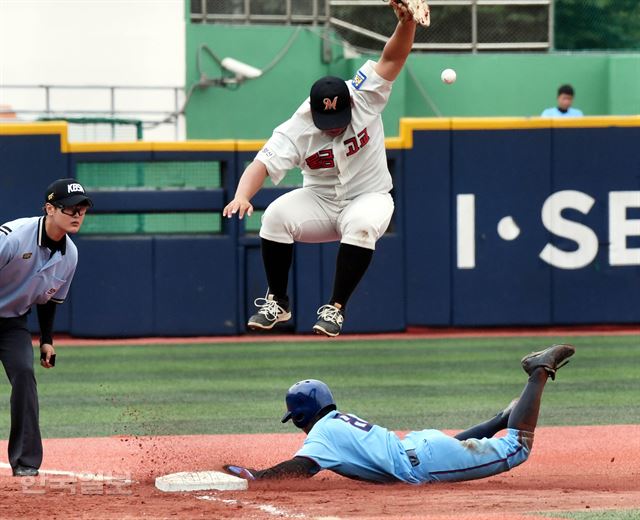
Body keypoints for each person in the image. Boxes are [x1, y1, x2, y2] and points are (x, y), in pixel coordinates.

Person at [222, 0, 418, 337]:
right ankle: (278, 302)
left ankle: (335, 308)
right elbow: (261, 164)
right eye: (325, 121)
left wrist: (407, 23)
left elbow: (392, 57)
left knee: (362, 224)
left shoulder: (364, 95)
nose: (332, 127)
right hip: (321, 200)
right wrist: (242, 195)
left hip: (369, 196)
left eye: (338, 119)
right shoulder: (297, 127)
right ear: (312, 112)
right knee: (275, 216)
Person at [224, 343, 575, 484]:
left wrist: (259, 477)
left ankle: (539, 372)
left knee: (518, 448)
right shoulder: (339, 420)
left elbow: (301, 468)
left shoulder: (322, 435)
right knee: (455, 448)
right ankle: (505, 415)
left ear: (299, 417)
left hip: (421, 458)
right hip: (422, 445)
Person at [0, 178, 92, 477]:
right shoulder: (13, 238)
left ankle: (25, 462)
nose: (76, 215)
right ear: (49, 209)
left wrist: (47, 340)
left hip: (12, 323)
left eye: (82, 209)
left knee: (25, 376)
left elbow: (50, 298)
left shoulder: (70, 255)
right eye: (69, 209)